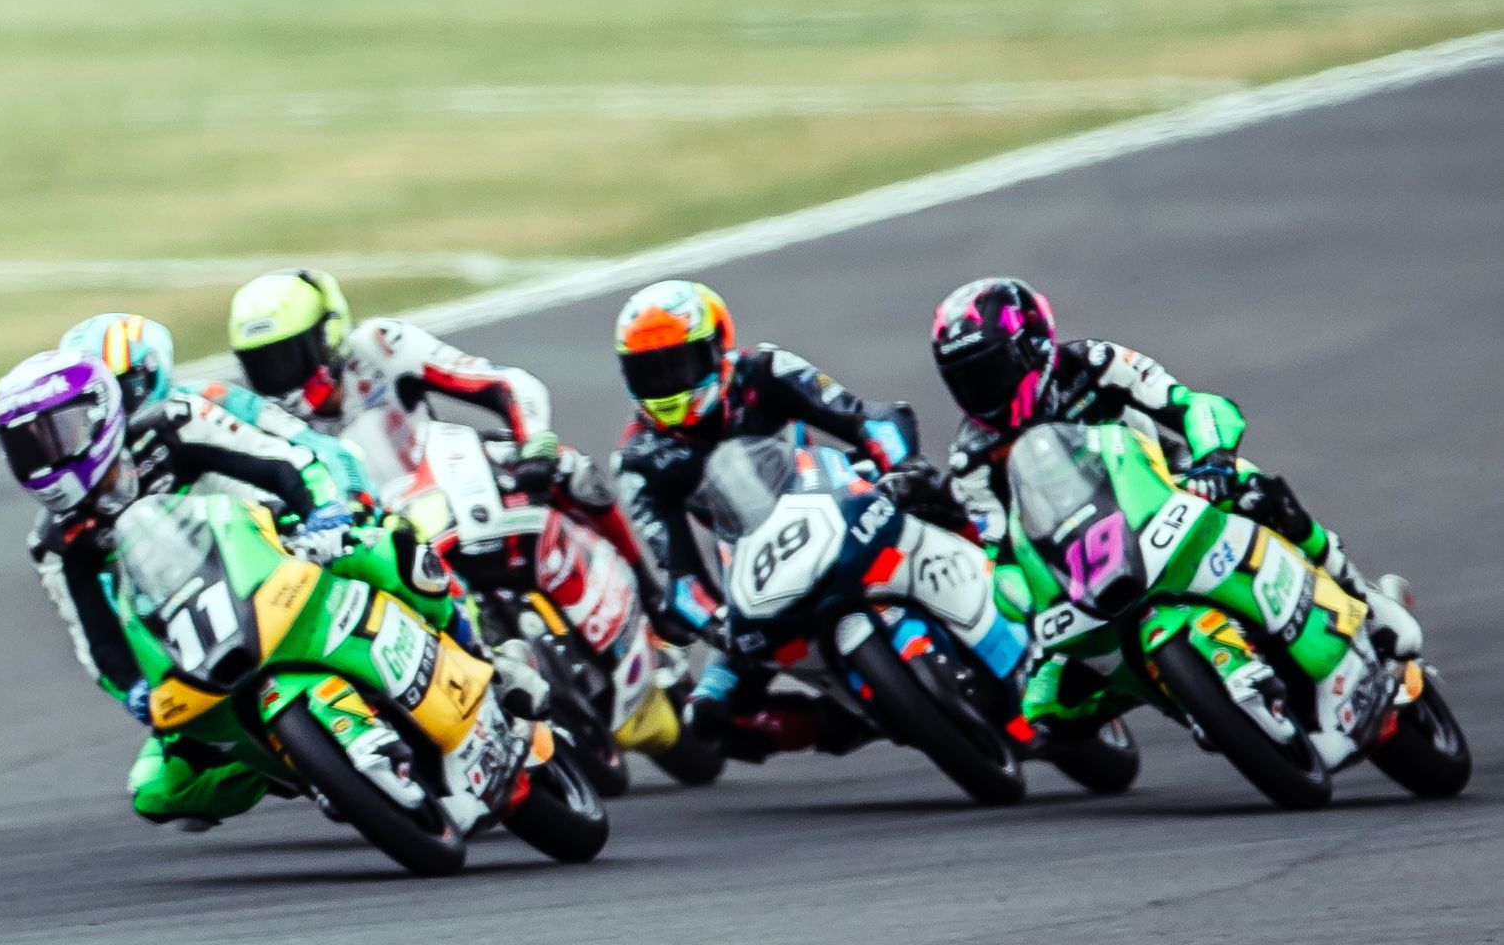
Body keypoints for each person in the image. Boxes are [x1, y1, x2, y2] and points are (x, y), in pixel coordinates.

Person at [0, 352, 422, 825]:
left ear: (101, 414)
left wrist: (325, 512)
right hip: (197, 640)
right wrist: (134, 690)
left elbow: (284, 463)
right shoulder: (55, 543)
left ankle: (467, 633)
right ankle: (296, 762)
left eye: (60, 434)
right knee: (156, 791)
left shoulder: (173, 425)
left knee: (385, 547)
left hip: (282, 553)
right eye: (29, 447)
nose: (49, 456)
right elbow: (95, 640)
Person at [923, 276, 1420, 661]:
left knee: (1255, 489)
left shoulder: (1095, 363)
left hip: (1171, 485)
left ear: (1033, 347)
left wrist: (1214, 461)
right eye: (964, 380)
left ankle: (1364, 598)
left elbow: (1193, 405)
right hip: (1082, 561)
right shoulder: (973, 458)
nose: (981, 391)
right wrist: (1028, 603)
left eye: (988, 371)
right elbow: (1002, 557)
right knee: (1049, 708)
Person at [223, 267, 659, 592]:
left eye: (287, 356)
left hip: (452, 482)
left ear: (327, 335)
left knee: (570, 467)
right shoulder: (265, 423)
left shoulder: (380, 345)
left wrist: (534, 444)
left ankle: (651, 589)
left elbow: (505, 383)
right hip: (375, 538)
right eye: (262, 366)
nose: (278, 377)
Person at [605, 277, 922, 629]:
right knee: (726, 666)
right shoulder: (638, 459)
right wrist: (717, 626)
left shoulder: (766, 369)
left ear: (718, 346)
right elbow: (681, 581)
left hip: (836, 500)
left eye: (678, 365)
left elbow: (872, 421)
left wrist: (902, 470)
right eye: (648, 373)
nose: (666, 385)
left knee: (933, 501)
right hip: (750, 561)